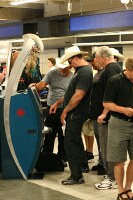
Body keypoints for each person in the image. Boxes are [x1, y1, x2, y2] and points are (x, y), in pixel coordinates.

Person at [59, 45, 93, 185]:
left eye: (69, 61)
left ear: (75, 59)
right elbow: (72, 93)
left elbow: (78, 95)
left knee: (70, 144)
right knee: (76, 142)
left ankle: (76, 176)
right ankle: (81, 168)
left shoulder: (84, 72)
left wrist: (65, 111)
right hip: (75, 113)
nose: (69, 65)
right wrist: (59, 104)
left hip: (76, 113)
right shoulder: (80, 71)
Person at [30, 58, 73, 165]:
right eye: (61, 68)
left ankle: (62, 158)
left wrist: (59, 104)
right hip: (51, 109)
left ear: (70, 67)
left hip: (65, 109)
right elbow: (41, 85)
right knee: (50, 134)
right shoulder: (52, 73)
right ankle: (46, 157)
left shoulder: (73, 77)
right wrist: (35, 86)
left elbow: (70, 95)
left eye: (65, 68)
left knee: (63, 135)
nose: (62, 70)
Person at [93, 46, 123, 190]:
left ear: (104, 57)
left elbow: (111, 94)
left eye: (97, 58)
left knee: (107, 148)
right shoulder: (114, 68)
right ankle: (112, 176)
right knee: (108, 148)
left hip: (108, 117)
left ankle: (111, 177)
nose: (96, 60)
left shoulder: (111, 69)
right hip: (110, 116)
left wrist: (104, 113)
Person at [103, 57, 133, 200]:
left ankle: (128, 188)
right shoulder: (115, 81)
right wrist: (123, 110)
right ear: (129, 69)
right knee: (119, 159)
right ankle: (120, 190)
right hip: (119, 123)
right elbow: (107, 103)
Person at [87, 52, 106, 175]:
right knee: (99, 139)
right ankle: (101, 162)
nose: (91, 64)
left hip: (100, 112)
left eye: (92, 61)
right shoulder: (98, 74)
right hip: (94, 112)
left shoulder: (105, 73)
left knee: (103, 139)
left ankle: (104, 165)